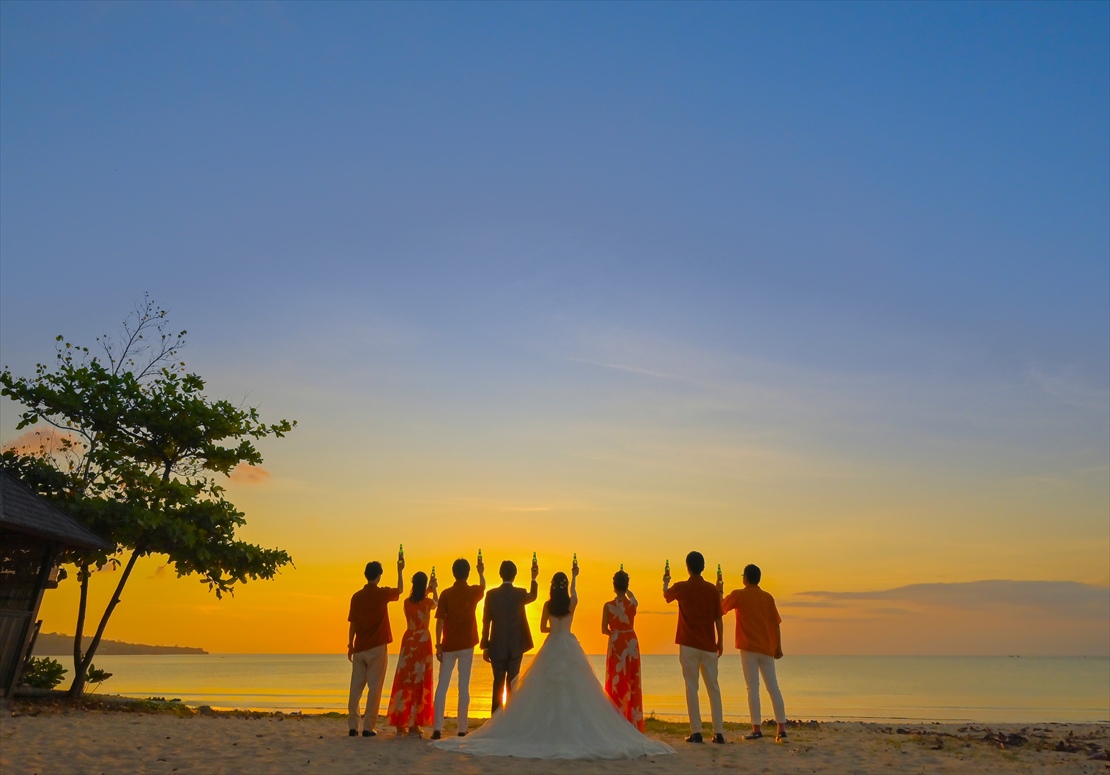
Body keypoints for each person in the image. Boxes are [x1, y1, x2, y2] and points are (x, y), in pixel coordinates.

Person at [433, 562, 675, 760]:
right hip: (568, 643)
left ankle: (505, 720)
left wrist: (554, 627)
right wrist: (574, 576)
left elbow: (543, 627)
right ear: (565, 587)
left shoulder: (548, 605)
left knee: (540, 688)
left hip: (551, 644)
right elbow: (575, 594)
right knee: (576, 688)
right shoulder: (571, 603)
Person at [663, 550, 725, 744]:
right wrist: (720, 641)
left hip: (688, 643)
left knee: (692, 687)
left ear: (688, 567)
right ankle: (719, 732)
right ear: (703, 567)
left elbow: (666, 595)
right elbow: (718, 618)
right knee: (713, 688)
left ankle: (696, 731)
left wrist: (666, 580)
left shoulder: (683, 587)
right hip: (708, 644)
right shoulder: (711, 590)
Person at [722, 563, 788, 742]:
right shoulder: (767, 597)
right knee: (773, 687)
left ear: (745, 578)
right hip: (767, 647)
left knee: (752, 689)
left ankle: (756, 729)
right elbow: (776, 624)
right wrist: (778, 647)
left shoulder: (739, 595)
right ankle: (781, 729)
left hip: (748, 647)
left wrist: (719, 590)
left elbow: (721, 608)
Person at [347, 555, 404, 737]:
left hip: (360, 646)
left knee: (356, 687)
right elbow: (400, 590)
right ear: (379, 576)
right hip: (377, 646)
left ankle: (353, 725)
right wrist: (400, 570)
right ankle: (368, 726)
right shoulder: (381, 594)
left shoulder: (356, 597)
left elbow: (353, 623)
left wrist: (350, 644)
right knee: (375, 688)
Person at [431, 555, 487, 740]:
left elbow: (439, 622)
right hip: (467, 644)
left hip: (449, 644)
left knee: (442, 685)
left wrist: (438, 644)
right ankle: (462, 728)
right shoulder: (472, 592)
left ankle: (437, 728)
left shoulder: (446, 594)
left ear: (453, 573)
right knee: (464, 686)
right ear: (467, 573)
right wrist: (481, 572)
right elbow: (483, 586)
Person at [479, 558, 539, 713]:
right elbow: (533, 595)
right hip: (515, 646)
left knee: (497, 683)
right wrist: (533, 578)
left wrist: (485, 645)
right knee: (513, 684)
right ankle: (511, 715)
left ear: (500, 574)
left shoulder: (491, 595)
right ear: (515, 575)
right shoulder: (520, 593)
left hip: (497, 646)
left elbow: (486, 621)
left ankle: (495, 718)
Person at [386, 570, 439, 737]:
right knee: (419, 681)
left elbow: (417, 599)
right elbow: (437, 603)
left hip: (409, 639)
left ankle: (400, 723)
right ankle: (414, 724)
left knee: (405, 680)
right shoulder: (427, 602)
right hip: (423, 640)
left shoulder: (406, 602)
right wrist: (434, 588)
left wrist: (427, 590)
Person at [602, 569, 645, 731]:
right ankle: (632, 720)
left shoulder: (608, 606)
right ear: (626, 585)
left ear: (614, 586)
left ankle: (616, 720)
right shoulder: (632, 604)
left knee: (616, 679)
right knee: (632, 680)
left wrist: (615, 633)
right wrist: (628, 591)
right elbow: (633, 597)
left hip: (616, 642)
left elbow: (603, 629)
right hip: (631, 642)